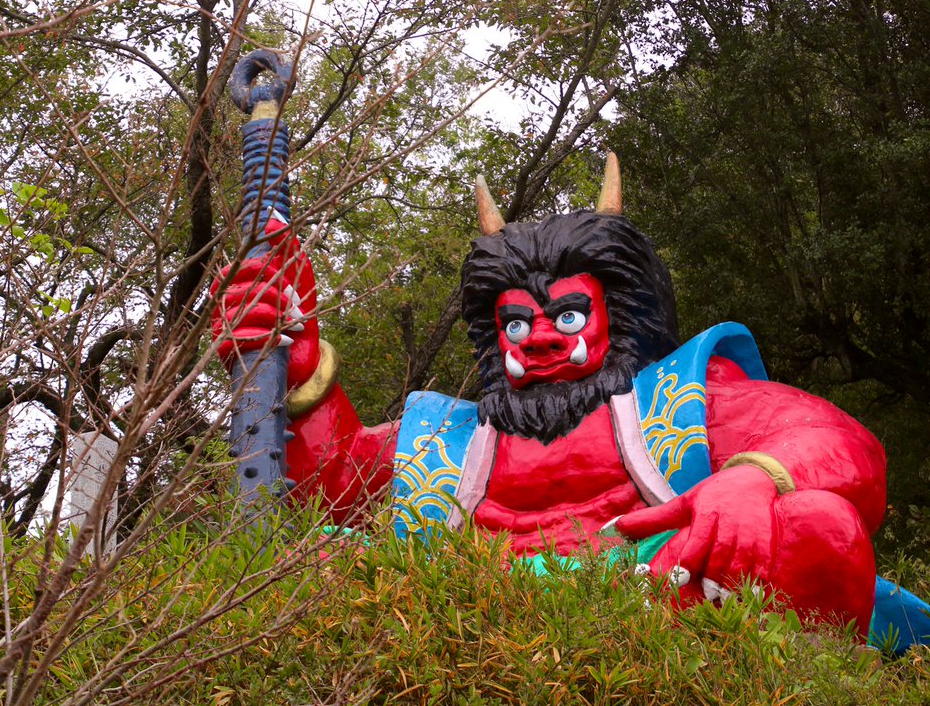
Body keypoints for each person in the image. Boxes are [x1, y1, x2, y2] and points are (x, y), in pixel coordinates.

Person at [212, 155, 899, 642]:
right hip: (466, 624)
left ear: (617, 316)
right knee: (306, 561)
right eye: (517, 323)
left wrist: (754, 478)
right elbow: (330, 488)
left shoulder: (683, 399)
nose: (538, 337)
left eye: (567, 316)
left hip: (671, 604)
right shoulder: (443, 438)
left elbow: (844, 446)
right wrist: (299, 372)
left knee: (816, 528)